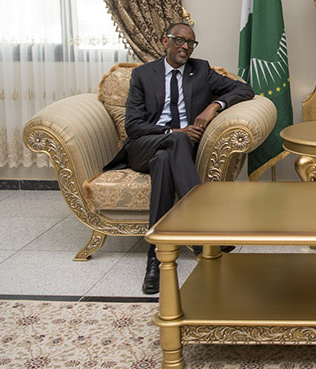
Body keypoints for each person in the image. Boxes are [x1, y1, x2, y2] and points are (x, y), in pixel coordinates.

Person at [104, 22, 254, 294]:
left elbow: (245, 90)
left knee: (164, 161)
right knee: (176, 139)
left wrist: (213, 106)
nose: (186, 47)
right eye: (180, 41)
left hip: (174, 152)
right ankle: (202, 235)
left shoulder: (201, 71)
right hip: (144, 146)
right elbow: (134, 126)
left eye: (191, 43)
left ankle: (155, 257)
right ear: (165, 42)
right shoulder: (143, 75)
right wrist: (174, 131)